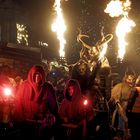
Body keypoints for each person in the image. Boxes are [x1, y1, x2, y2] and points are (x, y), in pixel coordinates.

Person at [14, 65, 58, 139]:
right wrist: (21, 120)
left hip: (42, 125)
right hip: (27, 124)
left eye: (39, 74)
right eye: (35, 74)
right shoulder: (24, 86)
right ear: (32, 75)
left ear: (43, 76)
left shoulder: (47, 87)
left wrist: (50, 118)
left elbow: (53, 106)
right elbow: (18, 103)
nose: (37, 76)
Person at [110, 73, 136, 139]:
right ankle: (120, 133)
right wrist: (119, 105)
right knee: (121, 118)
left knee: (126, 120)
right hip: (121, 105)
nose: (131, 81)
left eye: (132, 79)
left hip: (128, 107)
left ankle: (124, 134)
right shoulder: (120, 86)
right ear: (126, 79)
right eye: (129, 79)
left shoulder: (133, 88)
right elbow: (116, 96)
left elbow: (132, 97)